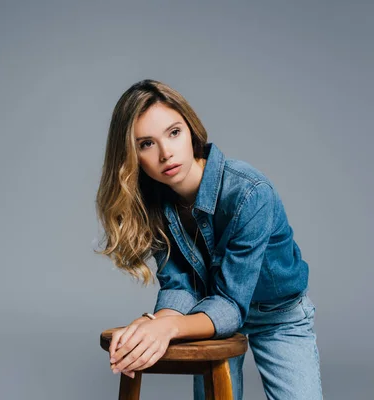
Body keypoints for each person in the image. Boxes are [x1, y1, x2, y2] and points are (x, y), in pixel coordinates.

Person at [95, 79, 322, 399]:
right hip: (206, 315)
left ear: (191, 129)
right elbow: (179, 284)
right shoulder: (153, 203)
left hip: (278, 315)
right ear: (132, 155)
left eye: (173, 133)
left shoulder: (249, 192)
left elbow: (232, 303)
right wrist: (158, 324)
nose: (165, 153)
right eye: (146, 143)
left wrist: (169, 328)